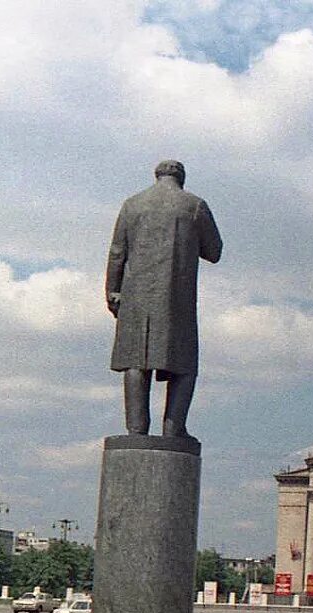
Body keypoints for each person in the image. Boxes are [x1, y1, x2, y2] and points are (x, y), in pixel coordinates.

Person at [106, 159, 223, 437]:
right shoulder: (194, 205)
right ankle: (174, 429)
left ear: (156, 177)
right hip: (176, 300)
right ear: (181, 178)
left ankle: (136, 429)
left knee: (136, 361)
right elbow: (214, 251)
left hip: (135, 298)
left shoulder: (132, 204)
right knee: (183, 365)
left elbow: (116, 252)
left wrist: (113, 292)